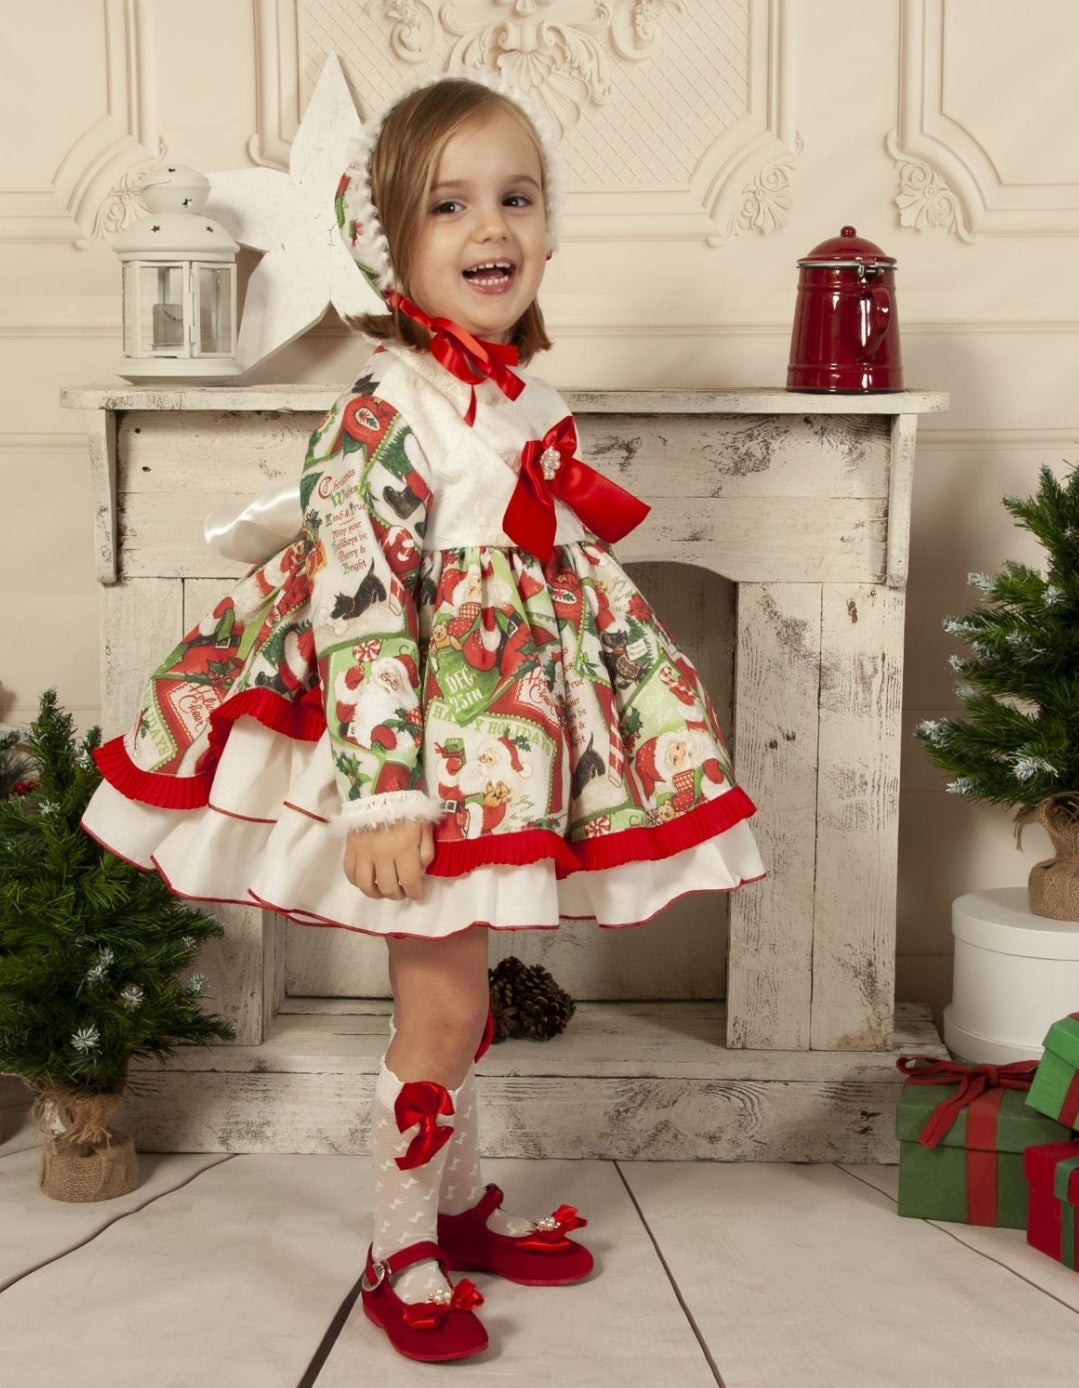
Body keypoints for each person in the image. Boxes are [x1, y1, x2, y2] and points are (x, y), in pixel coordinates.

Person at [81, 74, 765, 1363]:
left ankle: (452, 1208)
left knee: (466, 1003)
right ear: (388, 243)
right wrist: (384, 794)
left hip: (506, 752)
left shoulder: (522, 405)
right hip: (419, 761)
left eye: (516, 198)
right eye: (448, 205)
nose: (490, 226)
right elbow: (357, 608)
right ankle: (398, 1243)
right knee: (442, 1008)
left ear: (549, 230)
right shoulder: (385, 407)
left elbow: (545, 588)